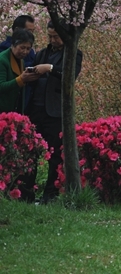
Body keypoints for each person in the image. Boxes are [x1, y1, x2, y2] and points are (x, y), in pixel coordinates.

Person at [21, 21, 83, 203]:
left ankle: (50, 194)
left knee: (55, 155)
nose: (53, 40)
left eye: (56, 36)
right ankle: (26, 193)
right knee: (30, 153)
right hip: (36, 109)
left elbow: (69, 76)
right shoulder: (42, 53)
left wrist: (50, 68)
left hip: (55, 111)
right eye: (50, 36)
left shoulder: (73, 54)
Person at [0, 15, 37, 110]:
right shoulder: (2, 59)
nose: (25, 52)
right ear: (13, 45)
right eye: (22, 48)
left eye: (28, 49)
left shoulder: (21, 60)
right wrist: (21, 79)